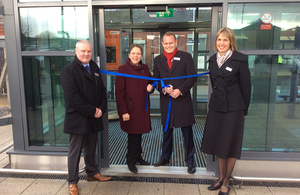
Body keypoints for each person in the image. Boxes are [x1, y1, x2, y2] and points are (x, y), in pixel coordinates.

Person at [200, 27, 251, 195]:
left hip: (234, 109)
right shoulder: (212, 60)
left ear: (231, 42)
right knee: (219, 143)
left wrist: (243, 109)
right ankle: (220, 178)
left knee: (231, 144)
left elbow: (246, 87)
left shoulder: (240, 60)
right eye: (219, 40)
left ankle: (227, 180)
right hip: (217, 108)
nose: (221, 43)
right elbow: (215, 86)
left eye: (225, 40)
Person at [60, 40, 111, 195]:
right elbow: (72, 98)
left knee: (91, 148)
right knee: (75, 152)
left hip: (94, 116)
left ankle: (92, 172)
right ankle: (72, 181)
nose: (86, 54)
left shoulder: (94, 67)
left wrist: (101, 109)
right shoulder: (68, 70)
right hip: (78, 118)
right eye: (83, 51)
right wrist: (93, 110)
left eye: (88, 51)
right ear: (76, 52)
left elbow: (102, 91)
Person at [147, 32, 197, 174]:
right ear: (162, 44)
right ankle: (165, 157)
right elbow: (155, 79)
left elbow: (192, 78)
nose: (168, 45)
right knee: (166, 132)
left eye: (171, 42)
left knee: (187, 132)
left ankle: (190, 160)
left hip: (182, 101)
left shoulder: (186, 57)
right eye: (166, 43)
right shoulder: (158, 60)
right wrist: (162, 88)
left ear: (175, 42)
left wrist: (180, 90)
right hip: (166, 101)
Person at [115, 44, 152, 173]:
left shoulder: (145, 68)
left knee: (139, 134)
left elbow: (151, 82)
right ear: (129, 55)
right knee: (132, 136)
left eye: (138, 54)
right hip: (130, 109)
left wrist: (151, 87)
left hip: (142, 108)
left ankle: (138, 157)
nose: (136, 56)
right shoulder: (122, 69)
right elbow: (119, 93)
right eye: (133, 53)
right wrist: (123, 111)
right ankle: (130, 160)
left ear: (141, 56)